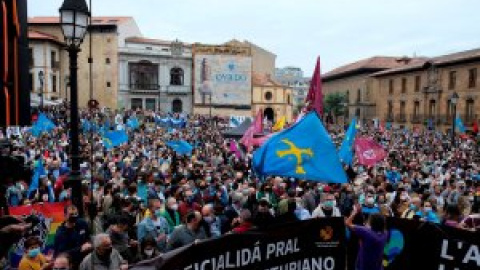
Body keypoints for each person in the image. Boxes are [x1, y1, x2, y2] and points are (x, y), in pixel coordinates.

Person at [346, 205, 388, 270]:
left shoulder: (366, 232)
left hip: (364, 266)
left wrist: (354, 213)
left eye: (369, 220)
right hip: (377, 266)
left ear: (372, 223)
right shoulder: (385, 233)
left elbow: (347, 223)